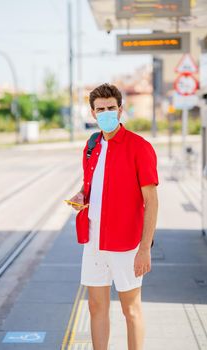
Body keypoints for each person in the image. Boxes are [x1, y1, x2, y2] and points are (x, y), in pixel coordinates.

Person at [67, 83, 159, 350]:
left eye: (111, 108)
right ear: (92, 113)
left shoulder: (139, 147)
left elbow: (151, 201)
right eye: (100, 109)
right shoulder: (92, 145)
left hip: (126, 244)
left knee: (131, 311)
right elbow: (91, 185)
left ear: (120, 110)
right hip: (94, 241)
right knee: (96, 307)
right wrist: (81, 196)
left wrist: (145, 248)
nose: (106, 113)